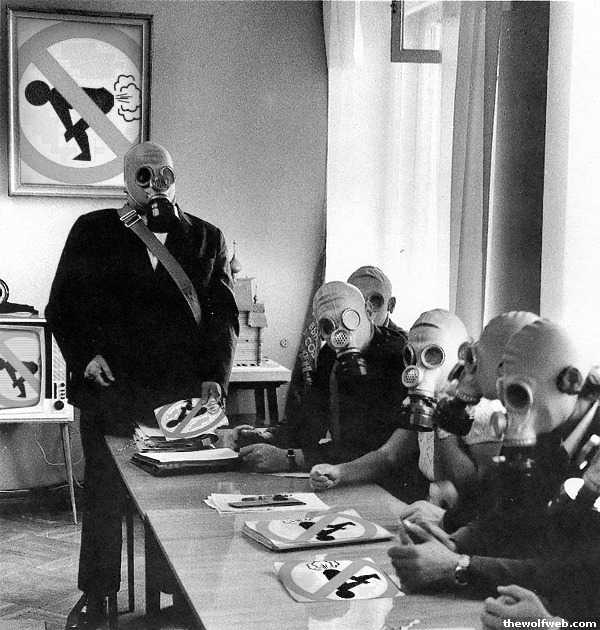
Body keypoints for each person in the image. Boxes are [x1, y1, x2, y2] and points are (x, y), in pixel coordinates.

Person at [46, 141, 239, 629]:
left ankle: (177, 596)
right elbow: (62, 306)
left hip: (179, 397)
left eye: (165, 175)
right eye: (144, 176)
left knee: (176, 500)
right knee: (104, 495)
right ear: (126, 182)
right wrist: (84, 356)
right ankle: (97, 596)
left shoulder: (207, 238)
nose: (156, 186)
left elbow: (223, 316)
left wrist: (215, 375)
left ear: (177, 178)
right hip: (112, 391)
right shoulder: (92, 231)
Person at [387, 319, 600, 623]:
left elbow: (580, 570)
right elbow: (521, 520)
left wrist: (461, 566)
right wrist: (457, 542)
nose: (511, 412)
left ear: (570, 383)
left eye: (519, 396)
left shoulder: (554, 421)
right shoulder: (554, 423)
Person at [237, 282, 417, 495]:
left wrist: (291, 458)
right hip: (343, 475)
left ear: (369, 311)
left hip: (388, 482)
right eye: (328, 326)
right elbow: (310, 420)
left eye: (349, 319)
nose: (339, 334)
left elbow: (375, 449)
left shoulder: (401, 359)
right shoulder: (329, 356)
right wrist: (264, 437)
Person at [310, 309, 468, 502]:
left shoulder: (479, 409)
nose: (418, 368)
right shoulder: (423, 403)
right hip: (429, 507)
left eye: (432, 355)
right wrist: (339, 472)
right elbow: (388, 455)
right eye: (411, 356)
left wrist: (444, 426)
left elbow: (477, 485)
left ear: (460, 355)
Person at [347, 265, 405, 336]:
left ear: (391, 305)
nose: (365, 310)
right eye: (356, 300)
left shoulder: (406, 341)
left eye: (374, 301)